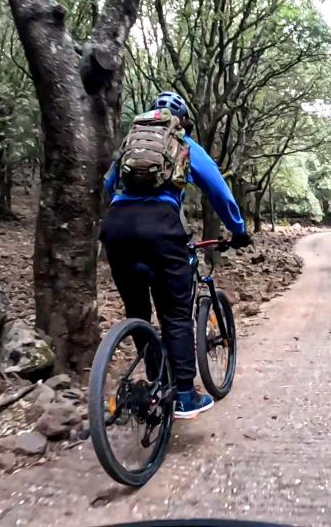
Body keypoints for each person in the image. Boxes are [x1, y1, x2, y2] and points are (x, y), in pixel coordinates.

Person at [101, 91, 251, 420]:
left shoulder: (130, 145)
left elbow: (108, 185)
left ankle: (156, 386)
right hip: (162, 230)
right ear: (182, 120)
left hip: (116, 229)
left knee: (137, 311)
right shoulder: (185, 144)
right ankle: (183, 395)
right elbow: (219, 191)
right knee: (176, 315)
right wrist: (238, 230)